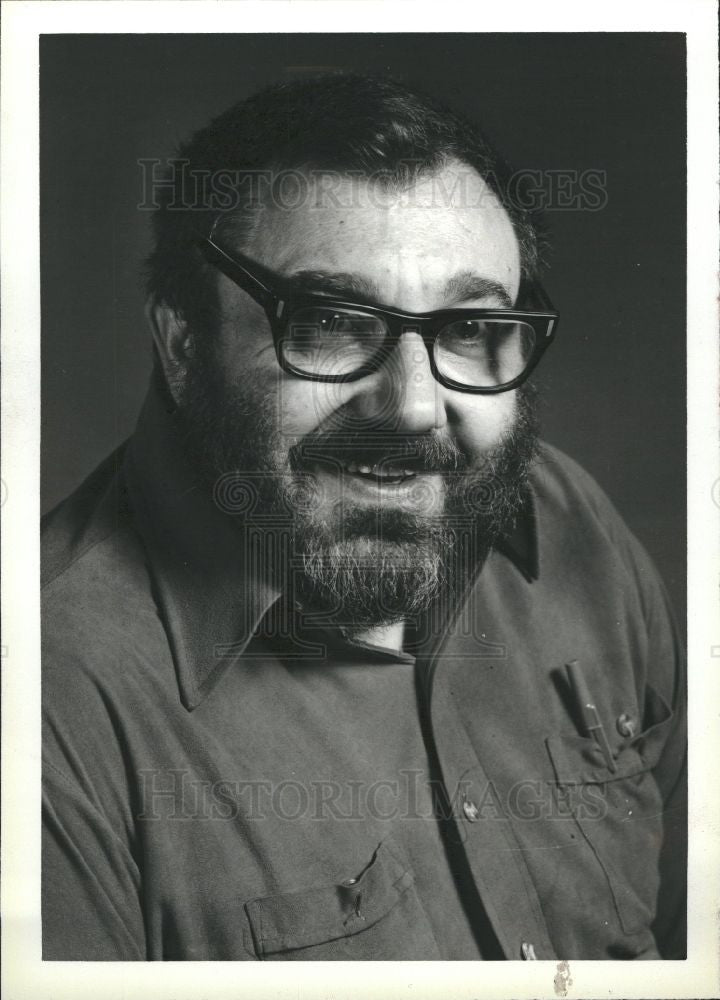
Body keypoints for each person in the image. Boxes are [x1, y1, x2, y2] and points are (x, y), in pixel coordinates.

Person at [42, 73, 686, 961]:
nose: (416, 409)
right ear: (182, 342)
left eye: (467, 326)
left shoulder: (574, 525)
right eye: (334, 322)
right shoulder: (46, 708)